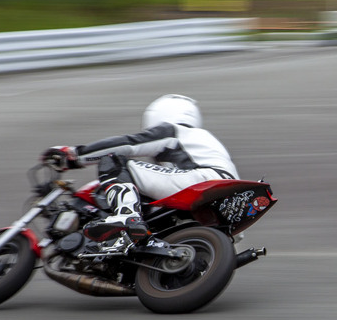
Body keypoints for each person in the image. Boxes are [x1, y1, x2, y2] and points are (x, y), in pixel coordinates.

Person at [41, 94, 239, 245]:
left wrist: (75, 156)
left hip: (203, 181)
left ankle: (126, 216)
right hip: (229, 198)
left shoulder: (174, 130)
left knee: (114, 161)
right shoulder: (203, 141)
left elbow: (129, 144)